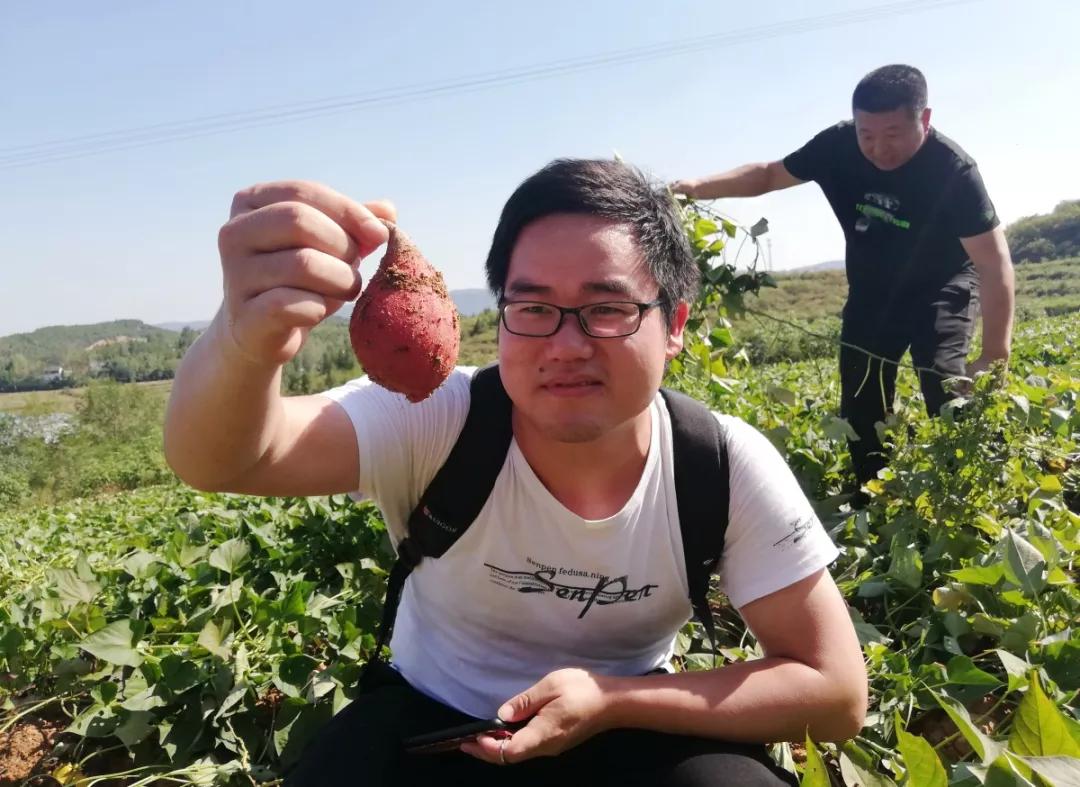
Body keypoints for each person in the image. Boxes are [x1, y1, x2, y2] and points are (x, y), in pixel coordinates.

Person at [164, 159, 866, 787]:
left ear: (674, 323)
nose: (565, 344)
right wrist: (243, 341)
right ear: (499, 315)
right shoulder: (438, 418)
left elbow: (835, 690)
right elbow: (226, 458)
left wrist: (611, 701)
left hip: (629, 726)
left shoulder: (718, 462)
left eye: (607, 309)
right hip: (432, 723)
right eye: (532, 308)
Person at [672, 64, 1015, 487]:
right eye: (866, 134)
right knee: (861, 396)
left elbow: (993, 262)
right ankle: (874, 490)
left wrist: (995, 353)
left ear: (924, 119)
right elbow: (768, 174)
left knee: (946, 382)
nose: (878, 148)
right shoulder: (836, 146)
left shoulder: (953, 170)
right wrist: (695, 187)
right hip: (874, 289)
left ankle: (977, 484)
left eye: (892, 134)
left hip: (942, 285)